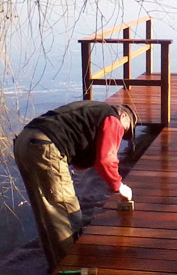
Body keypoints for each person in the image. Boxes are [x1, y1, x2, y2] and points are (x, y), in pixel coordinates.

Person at [13, 100, 137, 272]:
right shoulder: (113, 118)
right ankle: (73, 268)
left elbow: (80, 162)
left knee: (47, 215)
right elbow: (106, 160)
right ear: (123, 116)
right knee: (67, 216)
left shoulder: (91, 112)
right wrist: (119, 186)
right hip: (45, 147)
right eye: (126, 130)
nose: (122, 135)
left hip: (24, 142)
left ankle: (57, 267)